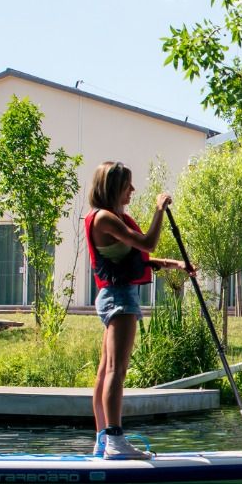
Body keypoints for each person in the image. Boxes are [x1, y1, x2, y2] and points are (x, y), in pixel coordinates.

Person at [86, 162, 193, 459]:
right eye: (128, 185)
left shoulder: (111, 219)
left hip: (115, 296)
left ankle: (102, 440)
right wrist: (159, 209)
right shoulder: (105, 219)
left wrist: (177, 264)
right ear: (112, 188)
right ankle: (115, 442)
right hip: (119, 299)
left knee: (105, 371)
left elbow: (136, 257)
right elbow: (148, 241)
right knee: (115, 372)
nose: (133, 190)